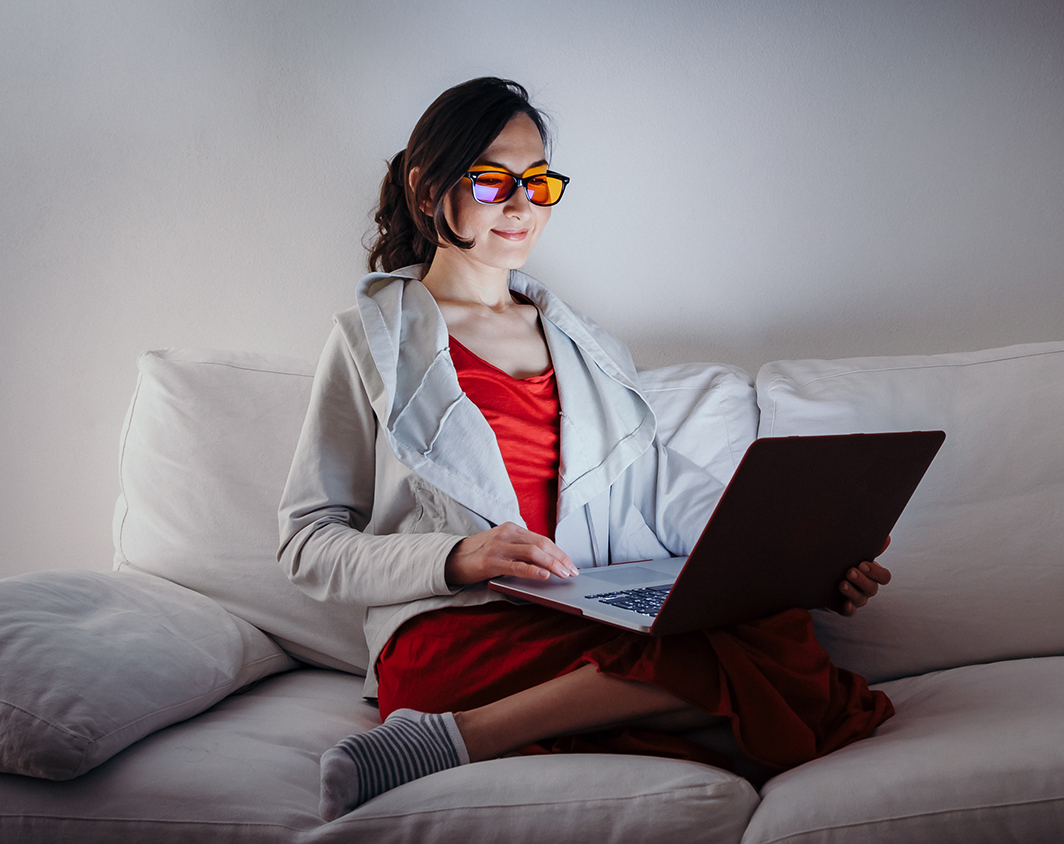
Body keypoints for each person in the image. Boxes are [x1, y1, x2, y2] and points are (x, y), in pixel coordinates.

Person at [278, 77, 894, 822]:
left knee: (784, 634)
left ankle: (462, 740)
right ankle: (527, 726)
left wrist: (808, 560)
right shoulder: (367, 341)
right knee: (770, 684)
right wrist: (456, 557)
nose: (521, 204)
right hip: (454, 629)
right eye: (492, 179)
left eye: (537, 183)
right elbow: (307, 543)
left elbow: (675, 497)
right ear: (426, 186)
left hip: (580, 617)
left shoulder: (589, 349)